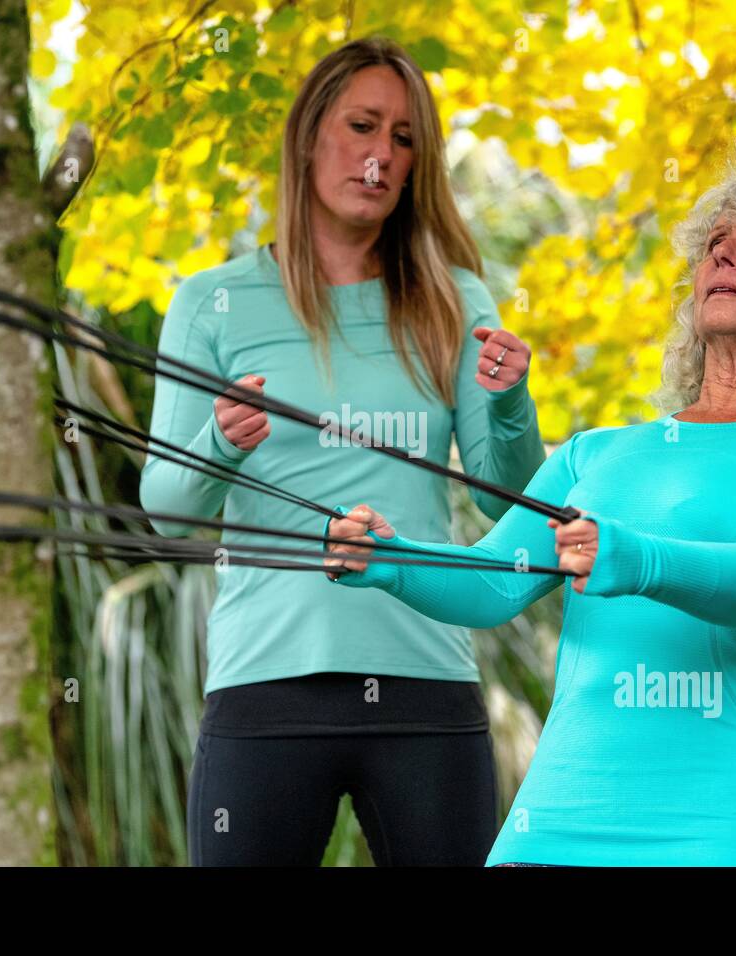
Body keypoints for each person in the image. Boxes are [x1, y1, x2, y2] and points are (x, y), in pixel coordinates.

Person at [323, 163, 736, 865]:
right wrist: (390, 558)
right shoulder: (596, 454)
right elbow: (495, 580)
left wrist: (633, 557)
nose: (723, 254)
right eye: (714, 243)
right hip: (557, 823)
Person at [140, 37, 547, 866]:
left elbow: (508, 500)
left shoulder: (454, 298)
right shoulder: (212, 303)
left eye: (404, 140)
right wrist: (220, 438)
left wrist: (509, 402)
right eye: (363, 126)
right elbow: (168, 508)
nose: (381, 156)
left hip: (425, 675)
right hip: (266, 682)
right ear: (308, 137)